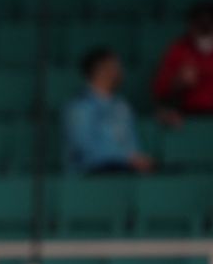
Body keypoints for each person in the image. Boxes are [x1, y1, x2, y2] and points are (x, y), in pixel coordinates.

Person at [62, 47, 154, 175]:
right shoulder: (79, 108)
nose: (121, 71)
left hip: (125, 172)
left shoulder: (122, 106)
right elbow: (84, 149)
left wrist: (135, 159)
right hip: (92, 177)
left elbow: (132, 145)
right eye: (115, 66)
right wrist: (125, 159)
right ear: (100, 69)